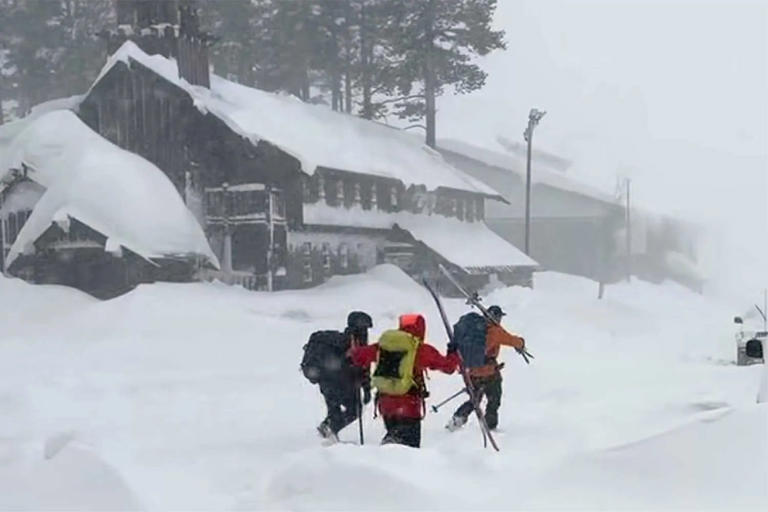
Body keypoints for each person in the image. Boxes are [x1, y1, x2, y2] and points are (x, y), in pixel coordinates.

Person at [350, 313, 460, 448]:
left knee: (396, 441)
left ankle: (387, 449)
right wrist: (453, 352)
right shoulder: (419, 349)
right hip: (409, 405)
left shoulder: (384, 345)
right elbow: (448, 367)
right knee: (407, 449)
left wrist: (355, 338)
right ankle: (385, 449)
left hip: (385, 404)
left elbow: (358, 356)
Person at [447, 305, 524, 432]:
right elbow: (511, 340)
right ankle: (490, 426)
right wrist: (521, 343)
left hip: (471, 371)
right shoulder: (495, 331)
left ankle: (458, 418)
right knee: (494, 397)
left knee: (475, 399)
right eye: (499, 317)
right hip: (488, 372)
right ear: (496, 318)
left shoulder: (474, 328)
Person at [316, 311, 373, 442]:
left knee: (338, 410)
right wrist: (366, 388)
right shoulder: (352, 341)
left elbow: (362, 367)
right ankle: (329, 434)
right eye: (364, 327)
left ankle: (327, 433)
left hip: (328, 381)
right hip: (341, 382)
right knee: (352, 410)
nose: (366, 331)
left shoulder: (345, 340)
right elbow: (363, 367)